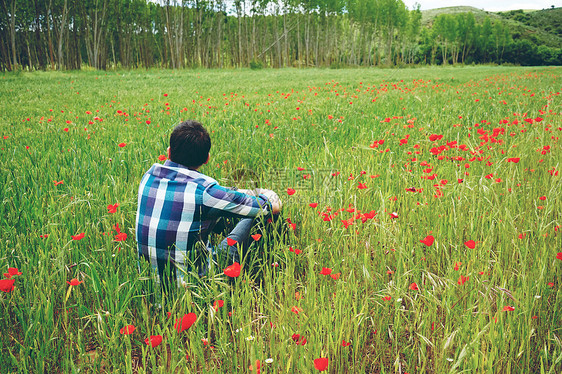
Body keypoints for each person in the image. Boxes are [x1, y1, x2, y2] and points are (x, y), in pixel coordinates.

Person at [135, 120, 281, 295]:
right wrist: (268, 195)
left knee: (217, 214)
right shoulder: (205, 191)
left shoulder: (147, 177)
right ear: (206, 159)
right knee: (252, 215)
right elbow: (269, 207)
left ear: (169, 152)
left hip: (149, 286)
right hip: (194, 288)